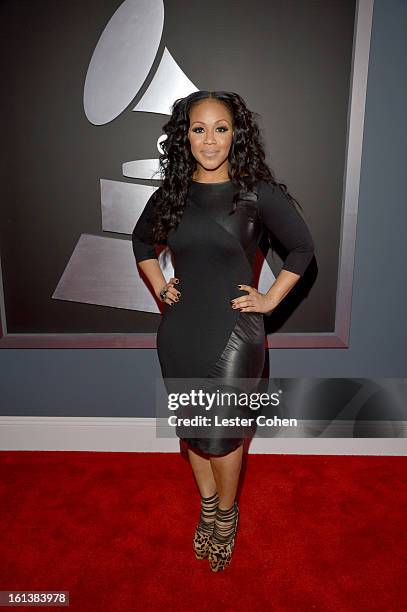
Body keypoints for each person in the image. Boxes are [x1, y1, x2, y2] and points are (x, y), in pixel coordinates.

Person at [131, 91, 315, 572]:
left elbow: (301, 248)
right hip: (180, 331)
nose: (209, 139)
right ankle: (208, 507)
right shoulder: (172, 193)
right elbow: (140, 240)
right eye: (198, 128)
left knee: (225, 436)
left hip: (235, 332)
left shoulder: (256, 193)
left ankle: (227, 517)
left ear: (236, 134)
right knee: (193, 432)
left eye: (220, 128)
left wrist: (270, 299)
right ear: (184, 135)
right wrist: (160, 286)